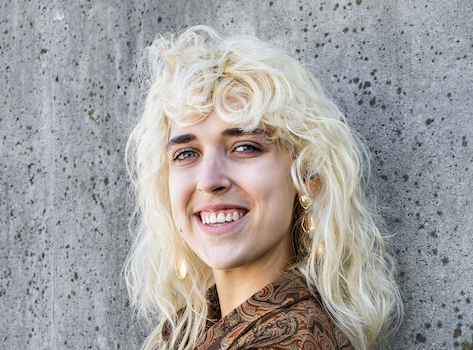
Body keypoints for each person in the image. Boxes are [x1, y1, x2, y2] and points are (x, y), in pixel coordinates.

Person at [124, 26, 403, 350]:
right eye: (186, 154)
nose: (209, 179)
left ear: (307, 174)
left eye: (245, 147)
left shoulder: (294, 339)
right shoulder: (192, 329)